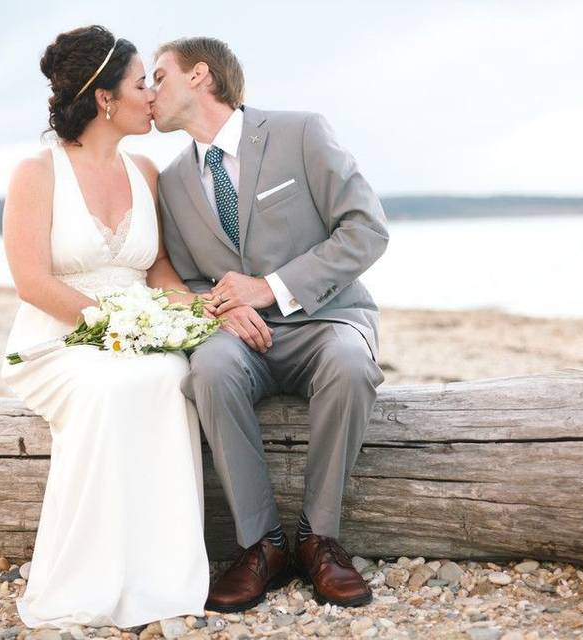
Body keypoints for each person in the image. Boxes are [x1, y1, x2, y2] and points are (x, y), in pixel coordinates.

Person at [150, 37, 390, 612]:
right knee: (208, 369)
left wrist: (269, 289)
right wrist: (226, 308)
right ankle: (262, 545)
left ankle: (318, 539)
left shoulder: (301, 132)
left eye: (158, 76)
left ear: (200, 76)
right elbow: (187, 278)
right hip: (239, 338)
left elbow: (365, 230)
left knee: (351, 364)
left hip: (325, 318)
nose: (148, 91)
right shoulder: (173, 180)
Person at [0, 25, 210, 630]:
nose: (152, 95)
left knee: (172, 374)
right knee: (111, 386)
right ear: (104, 99)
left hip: (138, 331)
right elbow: (31, 280)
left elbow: (161, 269)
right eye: (141, 83)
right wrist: (115, 326)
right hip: (58, 336)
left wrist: (197, 311)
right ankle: (85, 578)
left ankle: (162, 574)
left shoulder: (146, 171)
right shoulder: (36, 173)